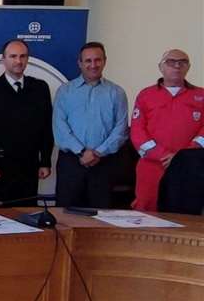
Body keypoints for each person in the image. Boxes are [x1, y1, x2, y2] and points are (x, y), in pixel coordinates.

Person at [0, 39, 53, 208]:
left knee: (26, 214)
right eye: (13, 56)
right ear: (3, 60)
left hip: (28, 166)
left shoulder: (39, 88)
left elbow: (46, 128)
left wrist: (45, 161)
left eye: (23, 56)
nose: (18, 61)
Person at [52, 42, 128, 209]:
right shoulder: (65, 91)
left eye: (97, 60)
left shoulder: (117, 93)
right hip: (71, 163)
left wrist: (98, 153)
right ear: (79, 63)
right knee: (66, 213)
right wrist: (82, 151)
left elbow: (121, 129)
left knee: (102, 214)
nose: (93, 65)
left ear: (105, 61)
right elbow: (59, 126)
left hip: (104, 163)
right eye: (88, 61)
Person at [130, 49, 204, 212]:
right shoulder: (146, 95)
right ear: (161, 67)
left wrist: (182, 157)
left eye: (182, 62)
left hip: (188, 169)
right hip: (152, 166)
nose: (177, 66)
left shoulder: (201, 95)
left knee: (185, 215)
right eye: (171, 62)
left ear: (189, 67)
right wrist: (162, 155)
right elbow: (137, 132)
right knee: (146, 212)